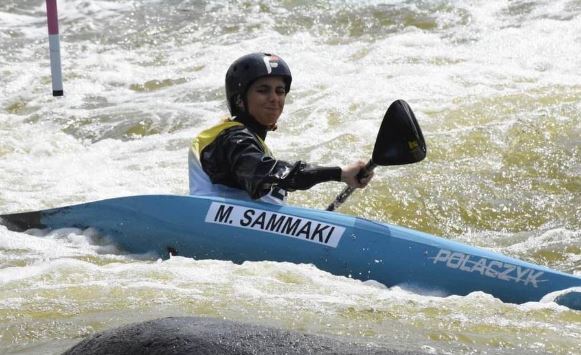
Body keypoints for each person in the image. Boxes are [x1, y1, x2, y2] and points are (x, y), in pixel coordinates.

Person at [189, 52, 373, 204]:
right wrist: (339, 173)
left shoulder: (256, 146)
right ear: (239, 100)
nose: (274, 98)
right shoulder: (230, 138)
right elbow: (265, 174)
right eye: (263, 90)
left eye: (280, 91)